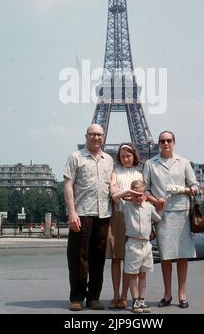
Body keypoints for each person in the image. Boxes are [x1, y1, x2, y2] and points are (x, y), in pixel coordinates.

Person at [143, 130, 198, 309]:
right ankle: (167, 293)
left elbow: (195, 187)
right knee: (166, 256)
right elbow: (145, 190)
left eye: (169, 140)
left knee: (182, 255)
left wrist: (181, 190)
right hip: (162, 214)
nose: (166, 143)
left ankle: (182, 293)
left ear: (174, 142)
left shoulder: (184, 162)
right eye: (162, 141)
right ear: (158, 143)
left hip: (182, 213)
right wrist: (155, 201)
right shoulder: (150, 164)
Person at [63, 124, 113, 311]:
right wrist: (72, 212)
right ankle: (77, 297)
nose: (96, 137)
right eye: (92, 134)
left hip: (103, 214)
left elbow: (112, 186)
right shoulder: (75, 157)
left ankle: (94, 297)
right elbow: (68, 185)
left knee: (98, 258)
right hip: (82, 213)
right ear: (86, 136)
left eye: (99, 134)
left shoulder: (109, 160)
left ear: (103, 136)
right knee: (78, 257)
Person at [115, 180, 163, 313]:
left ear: (145, 195)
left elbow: (158, 218)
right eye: (135, 195)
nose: (137, 197)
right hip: (133, 243)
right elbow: (114, 197)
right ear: (131, 195)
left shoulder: (148, 207)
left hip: (146, 244)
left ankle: (142, 299)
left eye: (140, 194)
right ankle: (135, 300)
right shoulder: (126, 206)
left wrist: (161, 206)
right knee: (132, 274)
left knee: (143, 274)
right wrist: (129, 192)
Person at [106, 143, 143, 309]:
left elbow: (138, 197)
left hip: (132, 218)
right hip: (118, 217)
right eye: (122, 156)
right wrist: (129, 193)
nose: (125, 158)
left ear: (134, 156)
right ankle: (115, 295)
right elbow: (113, 195)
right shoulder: (115, 172)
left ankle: (123, 296)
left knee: (129, 260)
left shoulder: (139, 174)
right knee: (116, 258)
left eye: (128, 155)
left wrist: (122, 193)